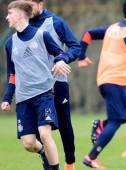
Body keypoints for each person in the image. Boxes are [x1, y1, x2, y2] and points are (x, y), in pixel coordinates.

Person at [1, 1, 72, 170]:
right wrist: (7, 98)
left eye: (10, 13)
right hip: (23, 98)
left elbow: (59, 52)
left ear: (19, 15)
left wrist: (60, 61)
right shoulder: (10, 44)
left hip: (44, 94)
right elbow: (12, 74)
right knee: (28, 143)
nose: (7, 17)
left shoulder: (42, 35)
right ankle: (43, 153)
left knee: (45, 134)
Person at [79, 0, 126, 168]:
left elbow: (88, 34)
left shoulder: (112, 28)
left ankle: (101, 125)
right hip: (116, 81)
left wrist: (82, 55)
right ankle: (91, 157)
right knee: (116, 121)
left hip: (105, 80)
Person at [24, 0, 89, 169]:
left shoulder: (56, 22)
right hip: (33, 87)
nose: (28, 9)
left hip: (56, 83)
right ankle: (49, 164)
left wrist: (63, 58)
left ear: (40, 4)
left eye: (31, 4)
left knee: (64, 125)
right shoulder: (22, 26)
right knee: (38, 133)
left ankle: (70, 164)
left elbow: (75, 47)